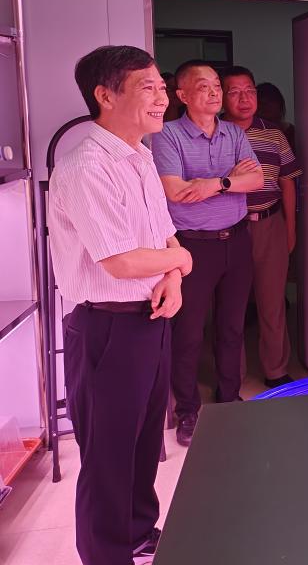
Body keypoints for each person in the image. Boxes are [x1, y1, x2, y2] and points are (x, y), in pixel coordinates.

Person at [48, 46, 194, 565]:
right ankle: (106, 554)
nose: (161, 98)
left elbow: (164, 234)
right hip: (106, 328)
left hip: (150, 319)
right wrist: (182, 259)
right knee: (108, 454)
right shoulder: (86, 166)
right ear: (105, 96)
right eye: (147, 87)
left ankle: (136, 531)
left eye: (161, 86)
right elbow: (121, 261)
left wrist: (174, 276)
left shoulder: (140, 157)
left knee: (143, 441)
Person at [152, 60, 263, 447]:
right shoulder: (167, 135)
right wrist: (233, 180)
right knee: (188, 331)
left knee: (232, 327)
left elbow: (257, 179)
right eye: (204, 86)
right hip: (192, 246)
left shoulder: (233, 132)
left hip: (237, 239)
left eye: (217, 85)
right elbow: (175, 191)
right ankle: (187, 410)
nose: (215, 92)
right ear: (182, 95)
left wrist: (215, 183)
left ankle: (229, 398)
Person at [221, 65, 301, 388]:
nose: (245, 99)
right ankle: (232, 376)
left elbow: (288, 183)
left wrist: (290, 229)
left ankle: (276, 370)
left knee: (272, 303)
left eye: (250, 91)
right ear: (221, 97)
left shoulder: (274, 134)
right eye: (235, 92)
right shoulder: (213, 134)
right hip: (229, 228)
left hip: (270, 224)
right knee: (231, 307)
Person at [255, 81, 296, 151]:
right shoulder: (249, 135)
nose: (265, 106)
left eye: (269, 101)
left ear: (279, 104)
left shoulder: (292, 134)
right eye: (261, 103)